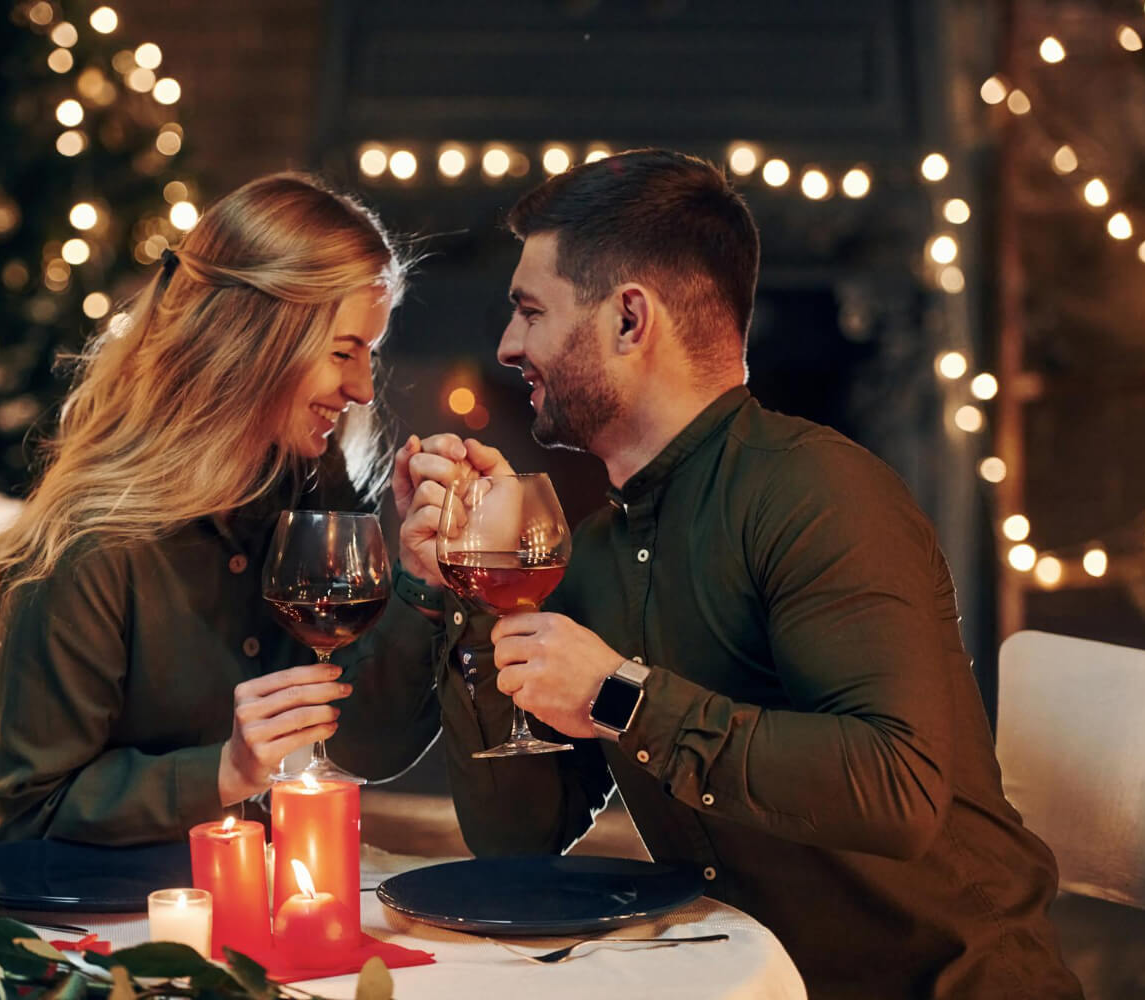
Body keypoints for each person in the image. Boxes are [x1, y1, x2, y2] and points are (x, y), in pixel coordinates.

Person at [394, 150, 1083, 998]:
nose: (508, 346)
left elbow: (896, 788)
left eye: (531, 311)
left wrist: (619, 696)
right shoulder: (600, 550)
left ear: (629, 320)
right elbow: (516, 837)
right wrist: (469, 598)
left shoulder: (817, 491)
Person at [0, 173, 439, 845]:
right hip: (105, 935)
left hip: (259, 906)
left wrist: (423, 580)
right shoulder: (90, 542)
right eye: (343, 352)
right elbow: (25, 819)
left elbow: (367, 747)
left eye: (370, 356)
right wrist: (226, 772)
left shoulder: (309, 497)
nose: (360, 388)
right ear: (257, 341)